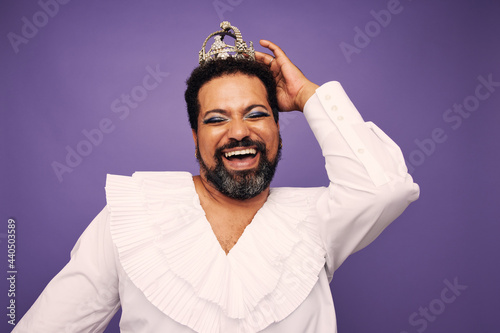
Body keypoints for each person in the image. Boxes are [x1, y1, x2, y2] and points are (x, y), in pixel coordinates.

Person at [14, 22, 419, 333]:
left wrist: (308, 95)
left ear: (279, 126)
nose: (239, 131)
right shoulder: (131, 216)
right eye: (216, 119)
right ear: (196, 137)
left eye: (257, 114)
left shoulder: (317, 217)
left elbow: (386, 189)